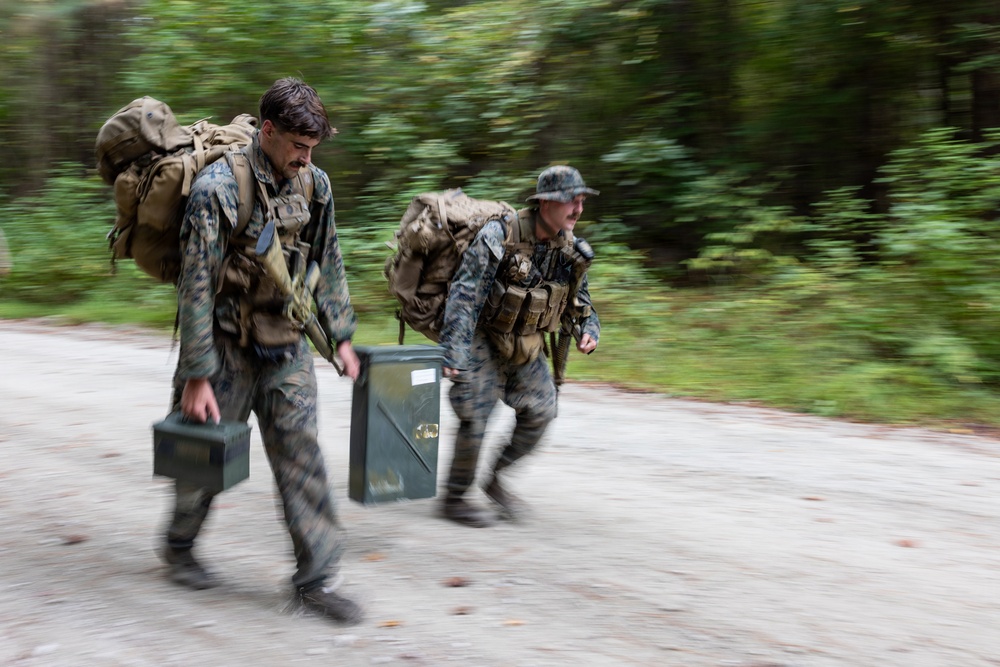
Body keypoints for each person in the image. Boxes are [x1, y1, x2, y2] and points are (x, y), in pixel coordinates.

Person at [160, 77, 363, 624]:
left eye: (313, 146)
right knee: (204, 458)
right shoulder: (219, 189)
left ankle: (317, 578)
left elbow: (329, 260)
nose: (306, 156)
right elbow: (196, 285)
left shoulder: (314, 184)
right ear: (267, 131)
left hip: (286, 344)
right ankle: (179, 544)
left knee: (301, 455)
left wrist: (341, 335)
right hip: (224, 346)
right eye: (298, 144)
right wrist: (197, 374)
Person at [438, 165, 601, 527]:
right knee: (475, 417)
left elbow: (581, 302)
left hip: (525, 340)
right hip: (483, 337)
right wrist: (454, 350)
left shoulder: (569, 247)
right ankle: (455, 497)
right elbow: (465, 294)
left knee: (542, 410)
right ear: (544, 203)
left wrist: (589, 329)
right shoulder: (500, 234)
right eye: (568, 202)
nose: (577, 209)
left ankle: (495, 479)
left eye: (580, 202)